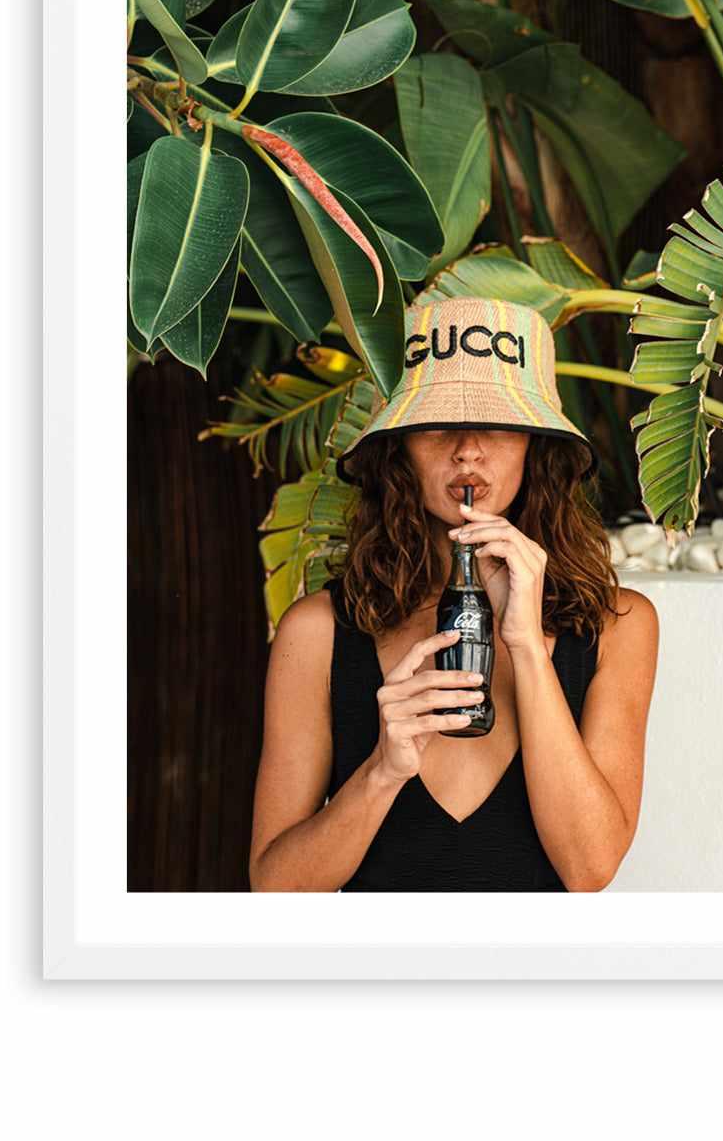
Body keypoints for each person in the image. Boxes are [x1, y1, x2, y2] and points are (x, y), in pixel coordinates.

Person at [249, 296, 659, 892]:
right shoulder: (319, 631)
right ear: (399, 448)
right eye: (437, 424)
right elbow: (275, 888)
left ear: (536, 445)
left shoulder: (618, 625)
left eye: (498, 423)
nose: (468, 449)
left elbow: (590, 868)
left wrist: (526, 645)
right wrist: (382, 772)